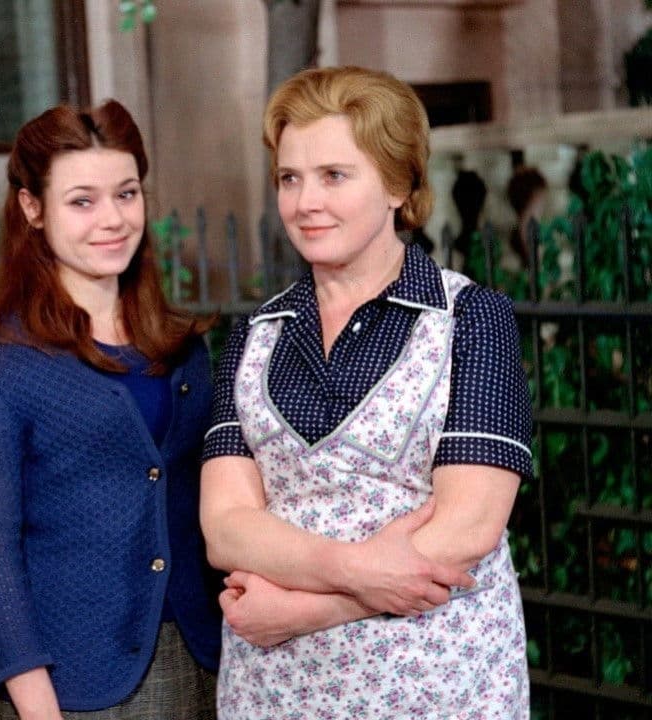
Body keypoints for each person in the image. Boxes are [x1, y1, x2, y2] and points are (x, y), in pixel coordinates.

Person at [200, 66, 532, 719]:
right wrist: (356, 568)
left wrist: (303, 610)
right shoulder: (255, 335)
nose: (305, 202)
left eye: (334, 175)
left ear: (399, 185)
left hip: (435, 683)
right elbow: (226, 528)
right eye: (289, 178)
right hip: (275, 691)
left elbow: (469, 526)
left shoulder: (469, 320)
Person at [0, 100, 222, 720]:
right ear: (32, 208)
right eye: (82, 201)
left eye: (126, 194)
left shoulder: (182, 347)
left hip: (205, 660)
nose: (112, 219)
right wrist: (33, 699)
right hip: (72, 684)